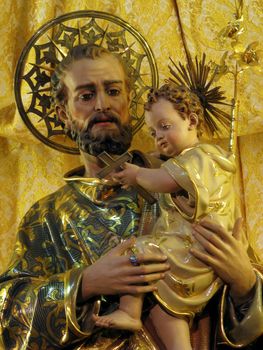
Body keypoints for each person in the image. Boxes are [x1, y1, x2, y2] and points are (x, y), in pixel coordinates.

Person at [0, 44, 262, 349]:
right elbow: (8, 315)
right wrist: (85, 283)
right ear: (63, 113)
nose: (102, 105)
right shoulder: (50, 215)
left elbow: (234, 272)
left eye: (113, 91)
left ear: (128, 100)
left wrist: (245, 284)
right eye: (86, 96)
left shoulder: (188, 180)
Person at [93, 83, 236, 350]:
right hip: (188, 251)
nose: (158, 137)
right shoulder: (187, 161)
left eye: (165, 126)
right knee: (162, 299)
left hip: (197, 249)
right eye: (152, 131)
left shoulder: (201, 157)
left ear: (191, 120)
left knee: (141, 249)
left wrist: (137, 175)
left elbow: (165, 180)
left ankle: (129, 312)